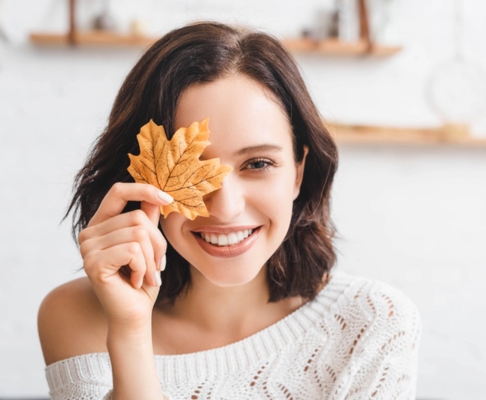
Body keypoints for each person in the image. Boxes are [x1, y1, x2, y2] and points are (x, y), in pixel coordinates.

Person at [37, 22, 421, 399]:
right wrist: (130, 332)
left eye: (258, 164)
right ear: (139, 179)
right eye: (191, 169)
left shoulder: (372, 322)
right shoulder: (75, 316)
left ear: (298, 173)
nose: (224, 207)